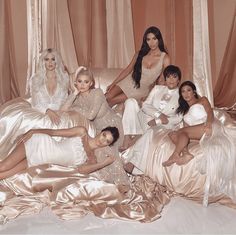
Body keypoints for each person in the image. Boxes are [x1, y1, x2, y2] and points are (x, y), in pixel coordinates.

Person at [122, 80, 236, 207]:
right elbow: (187, 132)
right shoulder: (185, 113)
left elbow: (210, 113)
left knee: (180, 131)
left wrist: (209, 124)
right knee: (173, 134)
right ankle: (185, 153)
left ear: (193, 92)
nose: (186, 93)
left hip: (208, 126)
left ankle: (176, 155)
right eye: (183, 91)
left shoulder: (202, 100)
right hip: (197, 132)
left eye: (188, 90)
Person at [0, 48, 74, 157]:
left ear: (57, 61)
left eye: (53, 59)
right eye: (46, 59)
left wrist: (60, 109)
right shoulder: (36, 78)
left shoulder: (65, 78)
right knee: (30, 121)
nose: (49, 63)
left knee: (63, 123)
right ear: (42, 62)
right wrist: (48, 111)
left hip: (59, 111)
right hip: (40, 109)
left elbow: (65, 99)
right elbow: (35, 103)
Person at [0, 126, 119, 180]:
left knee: (3, 175)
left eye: (107, 141)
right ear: (101, 131)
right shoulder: (82, 132)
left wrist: (104, 163)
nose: (102, 140)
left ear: (107, 145)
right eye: (104, 135)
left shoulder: (92, 158)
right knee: (3, 166)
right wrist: (33, 131)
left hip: (39, 161)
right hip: (39, 144)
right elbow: (54, 132)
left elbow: (81, 170)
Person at [105, 26, 170, 108]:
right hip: (129, 81)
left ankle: (105, 119)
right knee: (106, 97)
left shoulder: (165, 58)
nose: (152, 43)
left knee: (112, 101)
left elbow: (163, 80)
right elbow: (128, 70)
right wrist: (113, 83)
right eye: (148, 39)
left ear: (159, 39)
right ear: (145, 41)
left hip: (142, 89)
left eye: (154, 39)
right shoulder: (140, 53)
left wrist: (151, 95)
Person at [120, 65, 183, 150]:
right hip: (145, 118)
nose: (171, 80)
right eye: (168, 77)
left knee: (150, 131)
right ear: (165, 79)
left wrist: (158, 120)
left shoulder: (182, 95)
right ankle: (127, 137)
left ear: (178, 80)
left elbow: (179, 118)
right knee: (130, 101)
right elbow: (145, 105)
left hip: (161, 125)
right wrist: (159, 115)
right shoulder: (157, 89)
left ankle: (136, 139)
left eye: (174, 77)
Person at [61, 66, 124, 148]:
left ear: (91, 83)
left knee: (110, 155)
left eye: (86, 82)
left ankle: (119, 112)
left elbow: (91, 116)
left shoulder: (97, 93)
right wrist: (75, 93)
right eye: (80, 81)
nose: (82, 85)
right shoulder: (77, 98)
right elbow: (62, 110)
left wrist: (75, 108)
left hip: (111, 129)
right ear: (75, 82)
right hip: (98, 133)